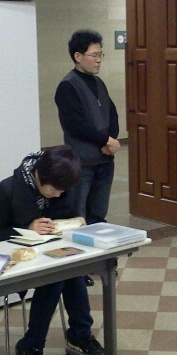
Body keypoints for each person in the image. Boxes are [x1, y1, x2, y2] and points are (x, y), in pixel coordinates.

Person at [0, 146, 104, 355]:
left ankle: (78, 335)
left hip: (50, 255)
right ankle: (34, 345)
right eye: (54, 190)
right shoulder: (8, 190)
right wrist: (25, 229)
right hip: (13, 260)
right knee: (55, 277)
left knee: (71, 271)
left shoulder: (63, 187)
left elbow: (70, 217)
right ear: (40, 176)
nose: (59, 195)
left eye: (63, 191)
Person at [54, 29, 120, 224]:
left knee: (98, 214)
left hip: (105, 160)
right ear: (78, 56)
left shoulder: (99, 83)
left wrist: (111, 140)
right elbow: (76, 125)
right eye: (94, 55)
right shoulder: (68, 86)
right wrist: (105, 140)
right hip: (82, 163)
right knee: (79, 216)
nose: (98, 60)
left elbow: (112, 114)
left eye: (100, 55)